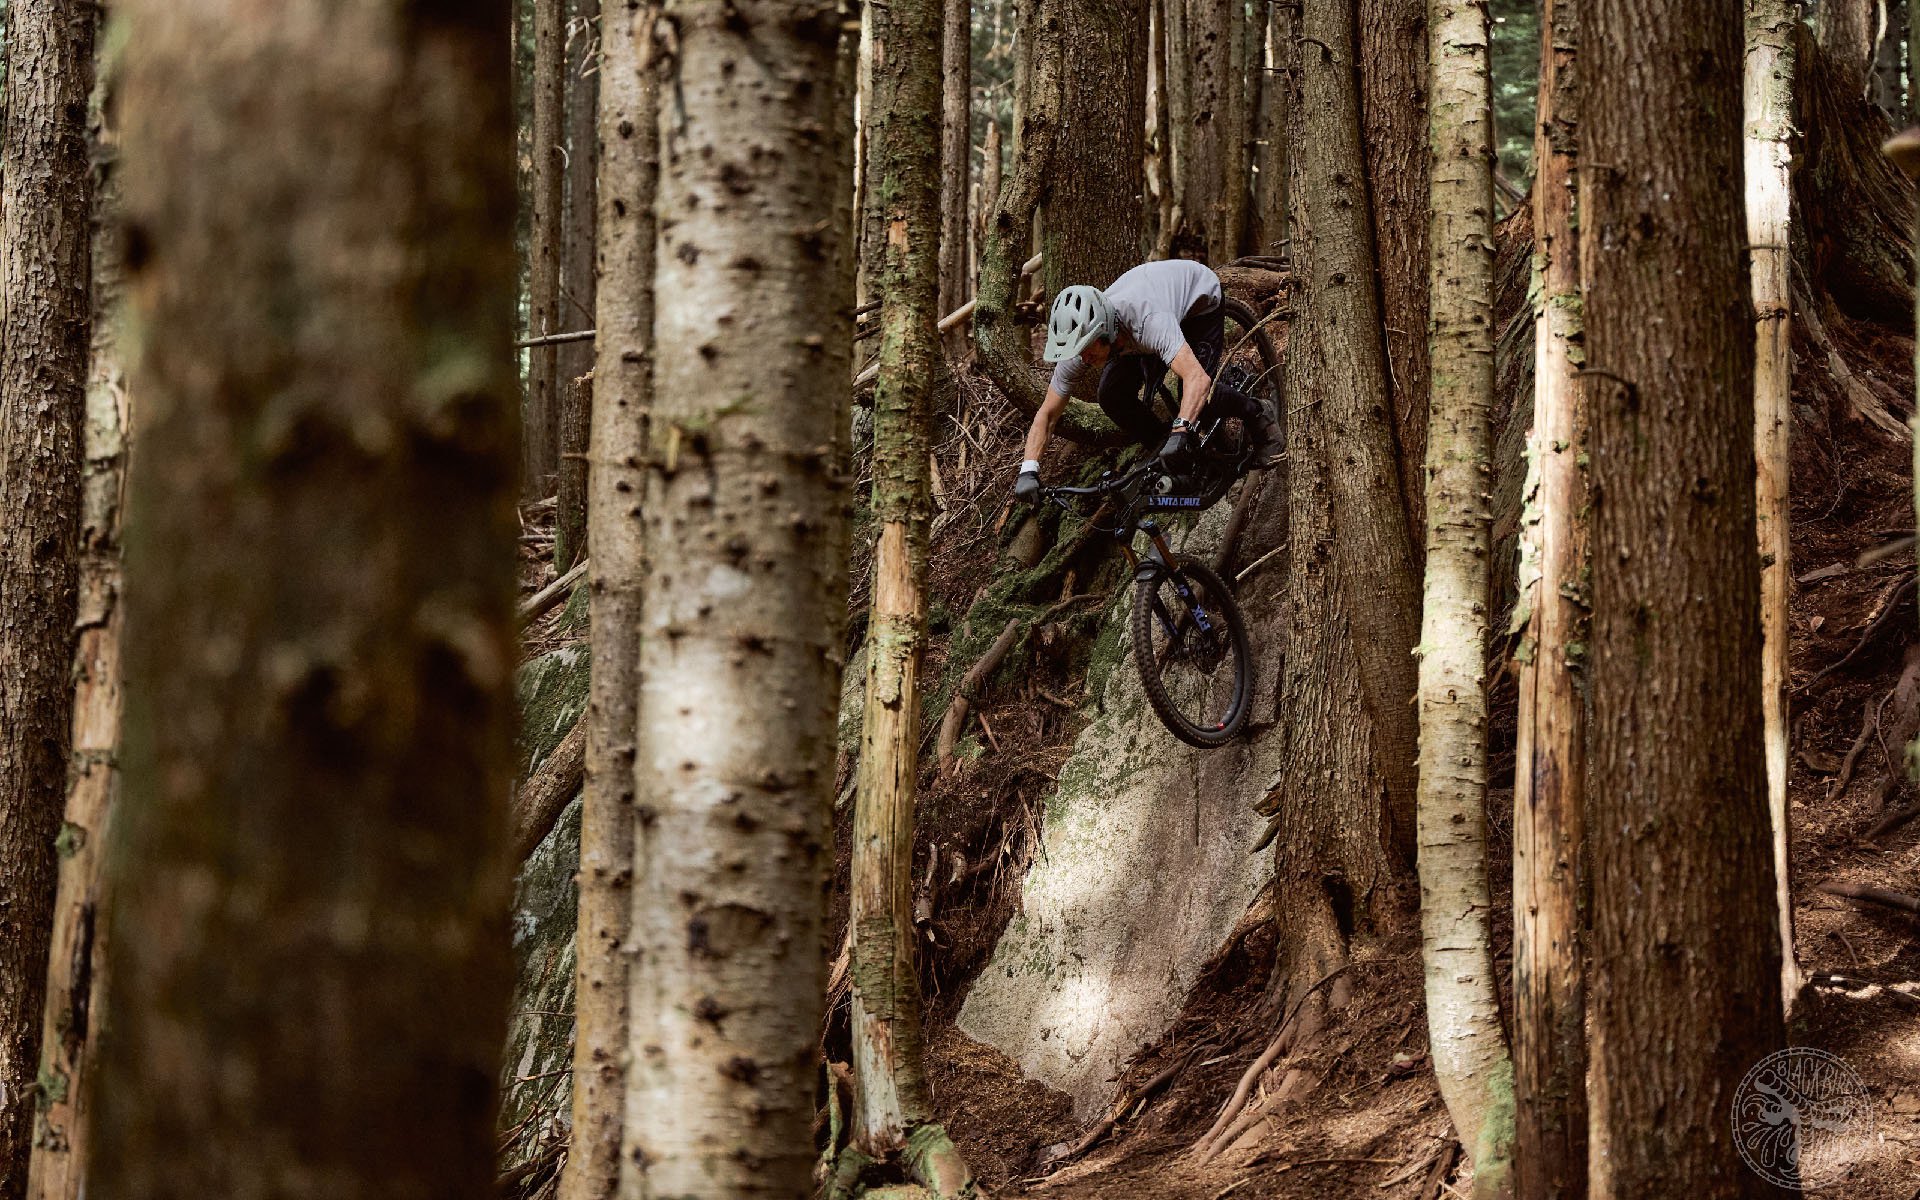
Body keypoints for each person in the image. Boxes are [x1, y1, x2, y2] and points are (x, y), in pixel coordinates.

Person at [1013, 259, 1282, 501]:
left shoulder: (1150, 322)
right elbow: (1048, 414)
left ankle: (1258, 412)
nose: (1083, 359)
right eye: (1077, 351)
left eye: (1087, 349)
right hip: (1135, 329)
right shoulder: (1083, 345)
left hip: (1196, 304)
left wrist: (1182, 429)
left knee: (1197, 397)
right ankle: (1163, 447)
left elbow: (1196, 379)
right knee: (1110, 396)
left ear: (1104, 330)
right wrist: (1029, 469)